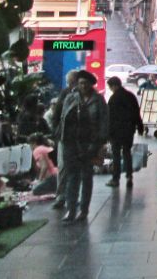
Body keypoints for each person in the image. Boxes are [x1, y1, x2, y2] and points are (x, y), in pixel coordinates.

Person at [57, 70, 108, 222]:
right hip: (71, 142)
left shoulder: (98, 100)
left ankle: (84, 210)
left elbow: (104, 122)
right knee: (72, 176)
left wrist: (99, 143)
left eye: (86, 83)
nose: (83, 86)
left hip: (89, 143)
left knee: (86, 176)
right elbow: (62, 118)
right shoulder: (70, 98)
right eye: (80, 83)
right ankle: (71, 209)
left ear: (91, 84)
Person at [105, 76, 144, 188]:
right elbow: (136, 112)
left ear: (114, 86)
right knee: (127, 153)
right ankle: (129, 176)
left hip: (116, 131)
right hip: (128, 130)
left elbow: (110, 117)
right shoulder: (130, 96)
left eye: (110, 87)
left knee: (116, 155)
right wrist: (139, 126)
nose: (110, 89)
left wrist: (108, 132)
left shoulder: (113, 98)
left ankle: (115, 179)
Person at [50, 70, 79, 210]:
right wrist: (57, 130)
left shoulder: (81, 95)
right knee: (64, 167)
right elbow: (57, 114)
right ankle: (62, 196)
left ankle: (68, 196)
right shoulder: (66, 93)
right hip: (65, 135)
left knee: (71, 167)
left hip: (76, 137)